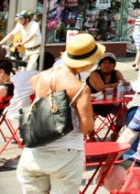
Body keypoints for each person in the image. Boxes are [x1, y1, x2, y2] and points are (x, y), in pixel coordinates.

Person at [16, 34, 99, 194]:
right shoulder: (79, 88)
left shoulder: (38, 78)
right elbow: (86, 128)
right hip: (66, 155)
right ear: (88, 62)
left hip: (33, 152)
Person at [88, 53, 129, 134]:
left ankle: (115, 133)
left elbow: (124, 84)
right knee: (88, 116)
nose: (107, 65)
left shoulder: (116, 73)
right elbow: (100, 88)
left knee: (124, 111)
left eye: (110, 63)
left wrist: (121, 84)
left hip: (112, 103)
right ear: (100, 64)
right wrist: (118, 84)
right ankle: (91, 136)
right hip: (94, 103)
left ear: (114, 65)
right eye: (105, 62)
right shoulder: (94, 74)